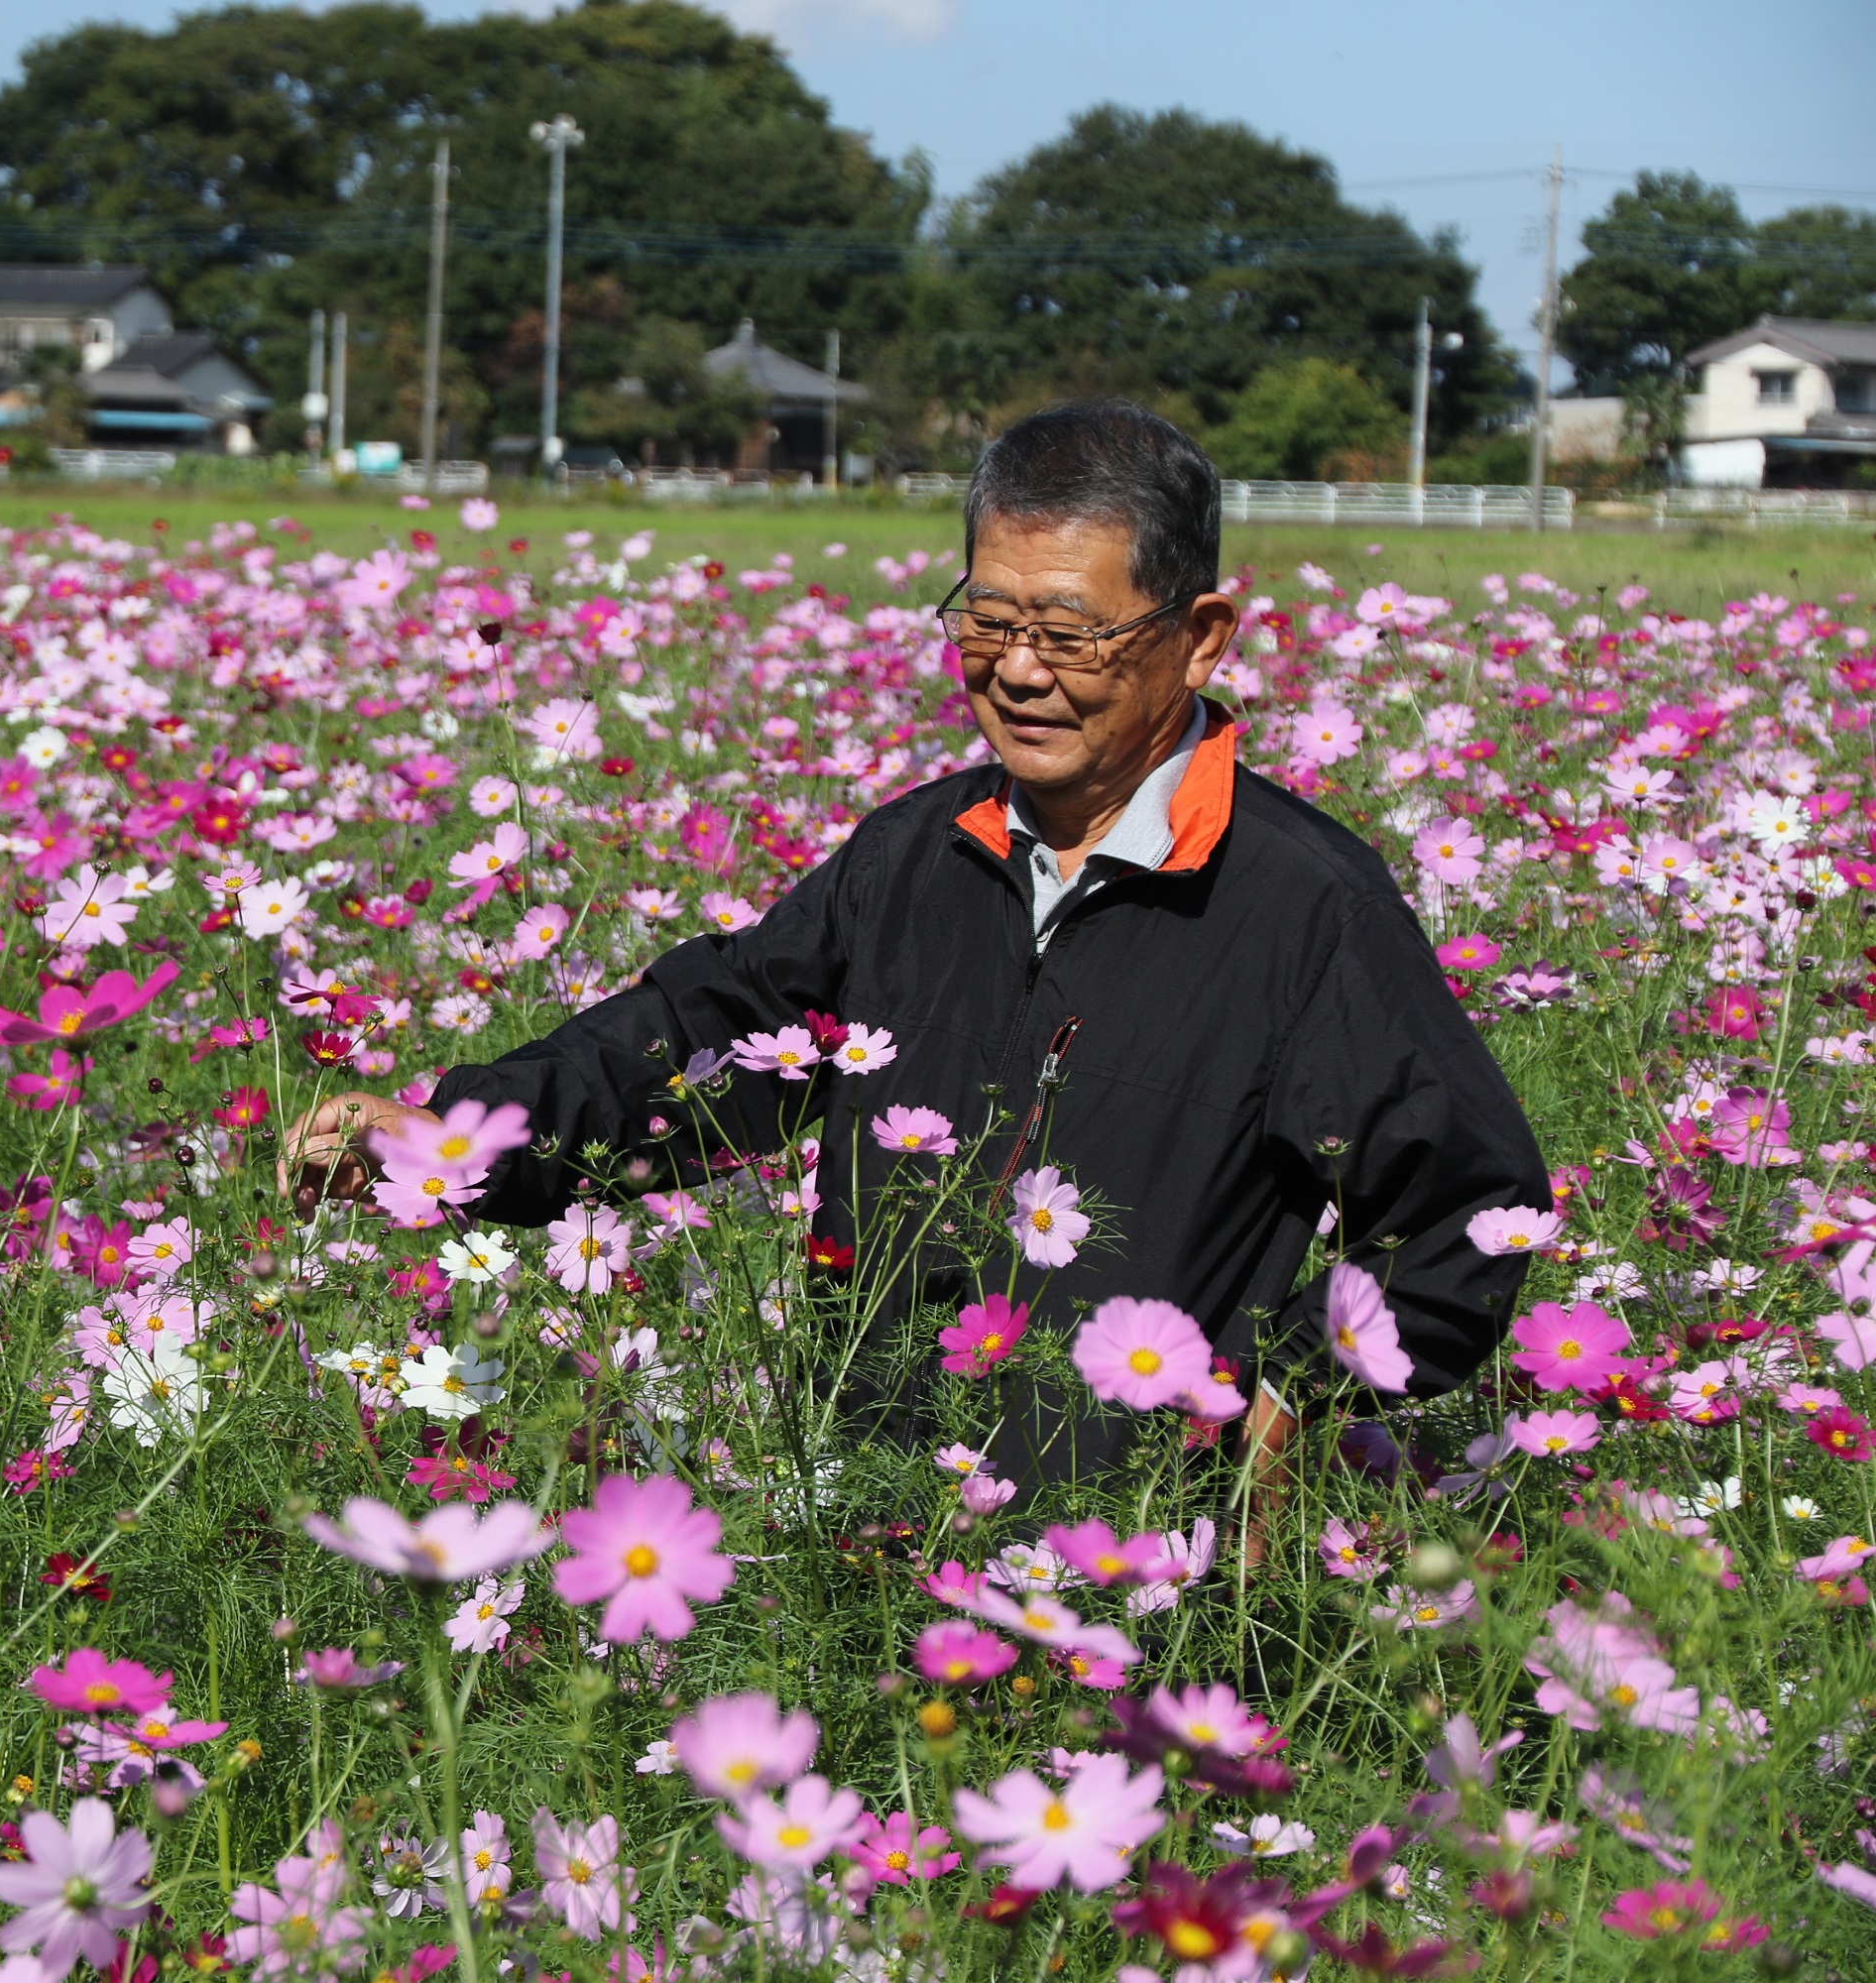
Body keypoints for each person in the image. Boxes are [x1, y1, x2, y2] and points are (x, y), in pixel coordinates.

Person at [286, 399, 1549, 1485]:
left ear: (1201, 635)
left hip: (1129, 1553)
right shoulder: (918, 853)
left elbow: (1471, 1202)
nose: (1018, 672)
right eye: (988, 622)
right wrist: (458, 1134)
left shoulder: (1298, 904)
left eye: (1070, 633)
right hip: (875, 1498)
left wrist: (1290, 1401)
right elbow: (710, 1031)